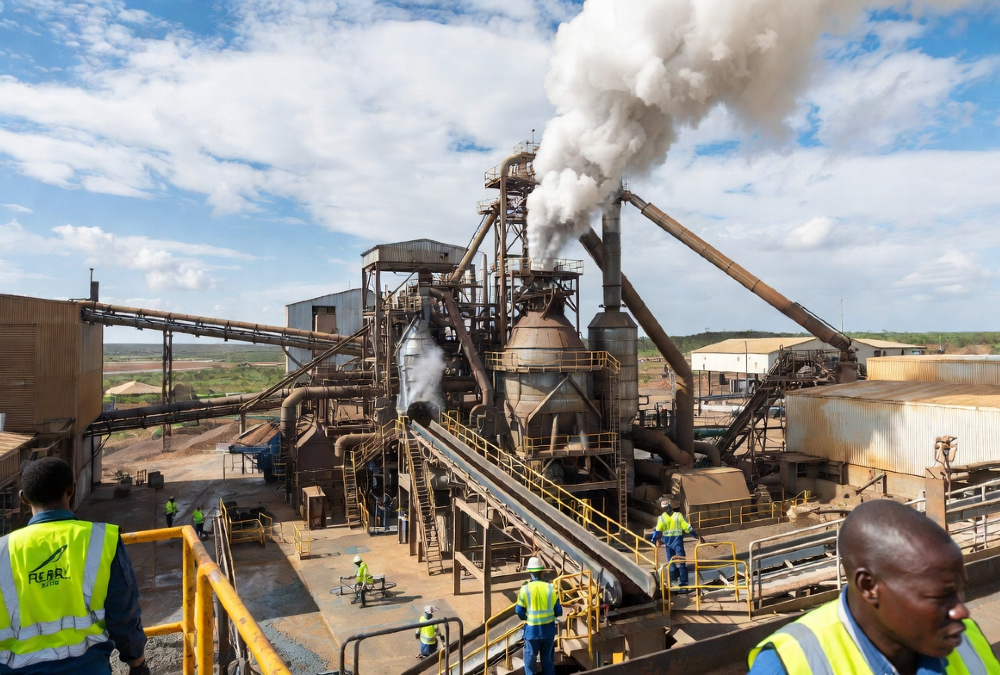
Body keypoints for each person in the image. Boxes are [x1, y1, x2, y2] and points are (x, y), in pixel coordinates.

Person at [748, 499, 1000, 675]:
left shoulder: (968, 639)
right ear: (869, 586)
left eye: (959, 591)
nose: (962, 612)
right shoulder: (788, 665)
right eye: (940, 596)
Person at [0, 457, 149, 674]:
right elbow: (123, 615)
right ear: (72, 489)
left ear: (24, 499)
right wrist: (137, 663)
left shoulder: (3, 551)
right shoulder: (102, 540)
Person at [515, 557, 562, 675]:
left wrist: (527, 618)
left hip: (532, 632)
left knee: (530, 662)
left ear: (530, 572)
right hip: (548, 631)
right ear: (542, 572)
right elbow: (559, 611)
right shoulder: (550, 588)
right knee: (548, 661)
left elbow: (519, 611)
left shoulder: (524, 589)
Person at [650, 498, 704, 594]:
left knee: (671, 562)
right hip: (677, 542)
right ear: (670, 506)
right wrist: (697, 536)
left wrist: (654, 541)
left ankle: (672, 582)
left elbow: (657, 531)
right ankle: (683, 585)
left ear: (663, 509)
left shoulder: (662, 518)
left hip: (668, 542)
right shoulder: (678, 516)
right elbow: (687, 527)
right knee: (682, 563)